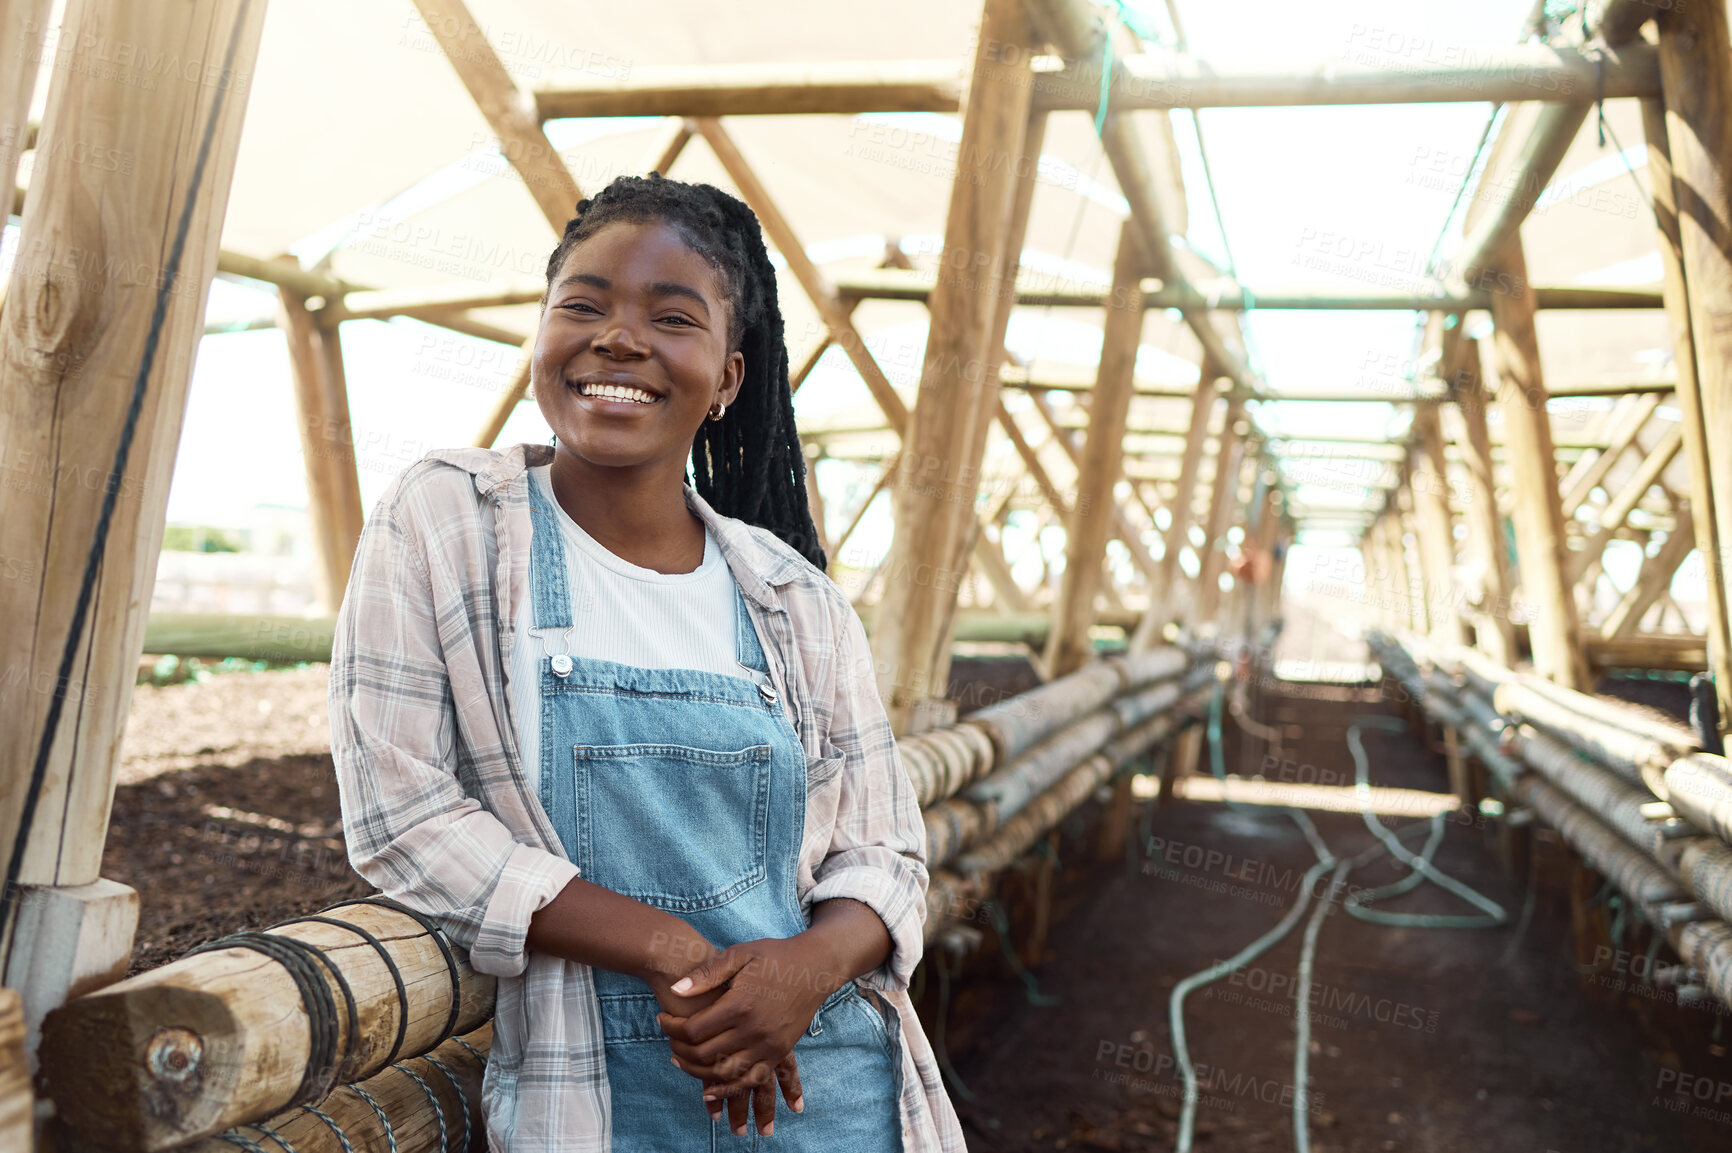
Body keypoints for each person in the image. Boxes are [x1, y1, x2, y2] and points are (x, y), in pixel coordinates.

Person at [330, 173, 965, 1152]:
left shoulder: (792, 599)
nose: (618, 337)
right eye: (581, 305)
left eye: (672, 317)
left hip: (833, 1091)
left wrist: (801, 973)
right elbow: (401, 814)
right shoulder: (451, 520)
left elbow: (885, 855)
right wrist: (667, 946)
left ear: (727, 380)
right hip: (603, 1103)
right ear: (541, 333)